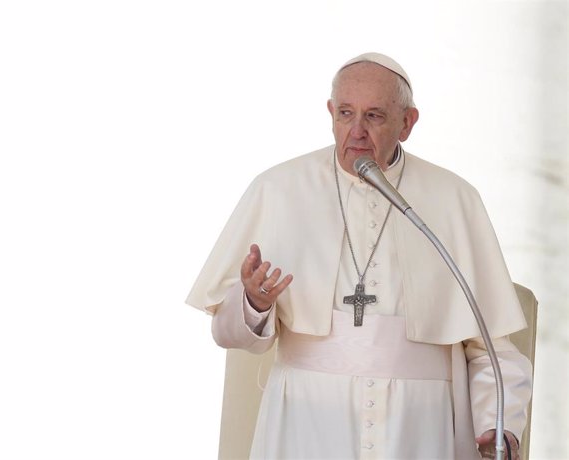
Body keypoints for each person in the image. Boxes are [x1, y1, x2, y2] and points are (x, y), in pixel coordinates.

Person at [186, 52, 532, 459]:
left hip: (420, 427)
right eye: (346, 113)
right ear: (330, 111)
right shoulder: (277, 189)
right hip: (306, 419)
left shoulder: (454, 199)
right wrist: (253, 304)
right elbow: (226, 334)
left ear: (407, 123)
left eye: (374, 116)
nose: (356, 132)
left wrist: (500, 426)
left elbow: (491, 348)